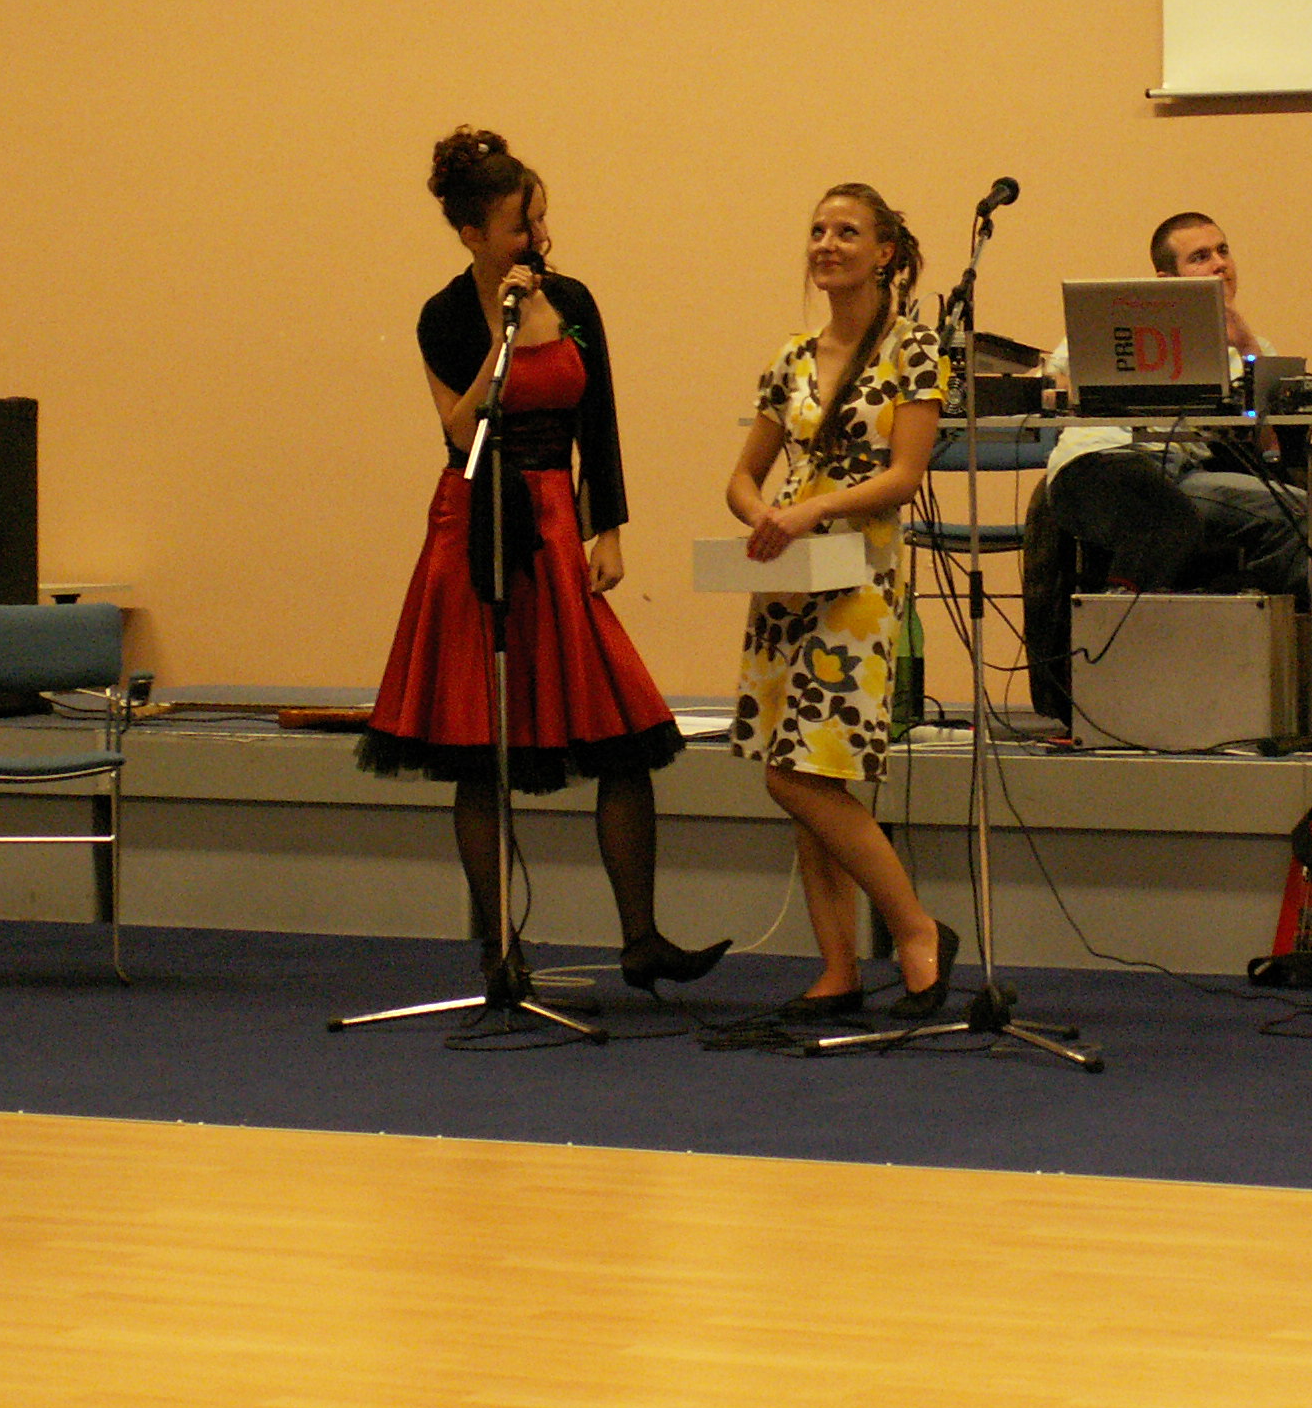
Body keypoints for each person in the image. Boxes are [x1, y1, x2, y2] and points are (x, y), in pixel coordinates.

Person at [359, 127, 726, 1001]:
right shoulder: (445, 316)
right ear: (473, 234)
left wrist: (610, 531)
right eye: (520, 225)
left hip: (558, 521)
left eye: (541, 219)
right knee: (479, 744)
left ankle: (641, 940)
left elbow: (600, 421)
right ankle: (499, 956)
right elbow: (459, 432)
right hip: (478, 522)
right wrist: (506, 336)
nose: (538, 238)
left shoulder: (576, 300)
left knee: (624, 737)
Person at [724, 184, 959, 1021]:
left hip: (860, 576)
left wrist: (811, 511)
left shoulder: (915, 349)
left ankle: (917, 929)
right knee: (801, 774)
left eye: (847, 232)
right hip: (790, 574)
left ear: (885, 253)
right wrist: (764, 516)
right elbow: (742, 477)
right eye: (819, 230)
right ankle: (837, 967)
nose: (826, 244)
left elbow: (904, 475)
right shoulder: (791, 356)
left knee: (801, 775)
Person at [1043, 213, 1310, 599]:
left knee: (1300, 512)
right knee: (1164, 519)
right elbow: (1051, 383)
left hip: (1179, 475)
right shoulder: (1125, 324)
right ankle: (1112, 621)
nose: (1220, 264)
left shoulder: (1252, 350)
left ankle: (1233, 614)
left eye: (1223, 251)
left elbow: (1270, 448)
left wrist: (1245, 346)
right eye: (1200, 257)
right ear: (1168, 281)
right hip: (1100, 464)